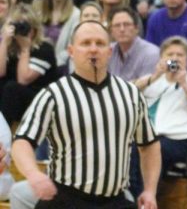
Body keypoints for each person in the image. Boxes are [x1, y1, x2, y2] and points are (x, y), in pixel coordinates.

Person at [11, 20, 160, 209]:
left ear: (109, 51)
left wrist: (149, 190)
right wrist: (33, 174)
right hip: (67, 200)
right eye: (86, 43)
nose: (93, 49)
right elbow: (22, 141)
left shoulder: (130, 94)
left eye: (100, 43)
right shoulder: (53, 94)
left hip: (115, 201)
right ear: (71, 51)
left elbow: (149, 145)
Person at [133, 36, 187, 179]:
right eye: (170, 55)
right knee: (133, 148)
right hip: (158, 138)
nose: (175, 58)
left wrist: (185, 85)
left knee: (154, 150)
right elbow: (126, 93)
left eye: (180, 55)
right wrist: (154, 76)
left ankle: (146, 196)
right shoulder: (152, 81)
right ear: (161, 58)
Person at [107, 7, 159, 83]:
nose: (122, 29)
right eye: (117, 25)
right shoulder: (107, 51)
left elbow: (148, 87)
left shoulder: (151, 54)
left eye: (126, 24)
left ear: (136, 28)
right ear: (111, 31)